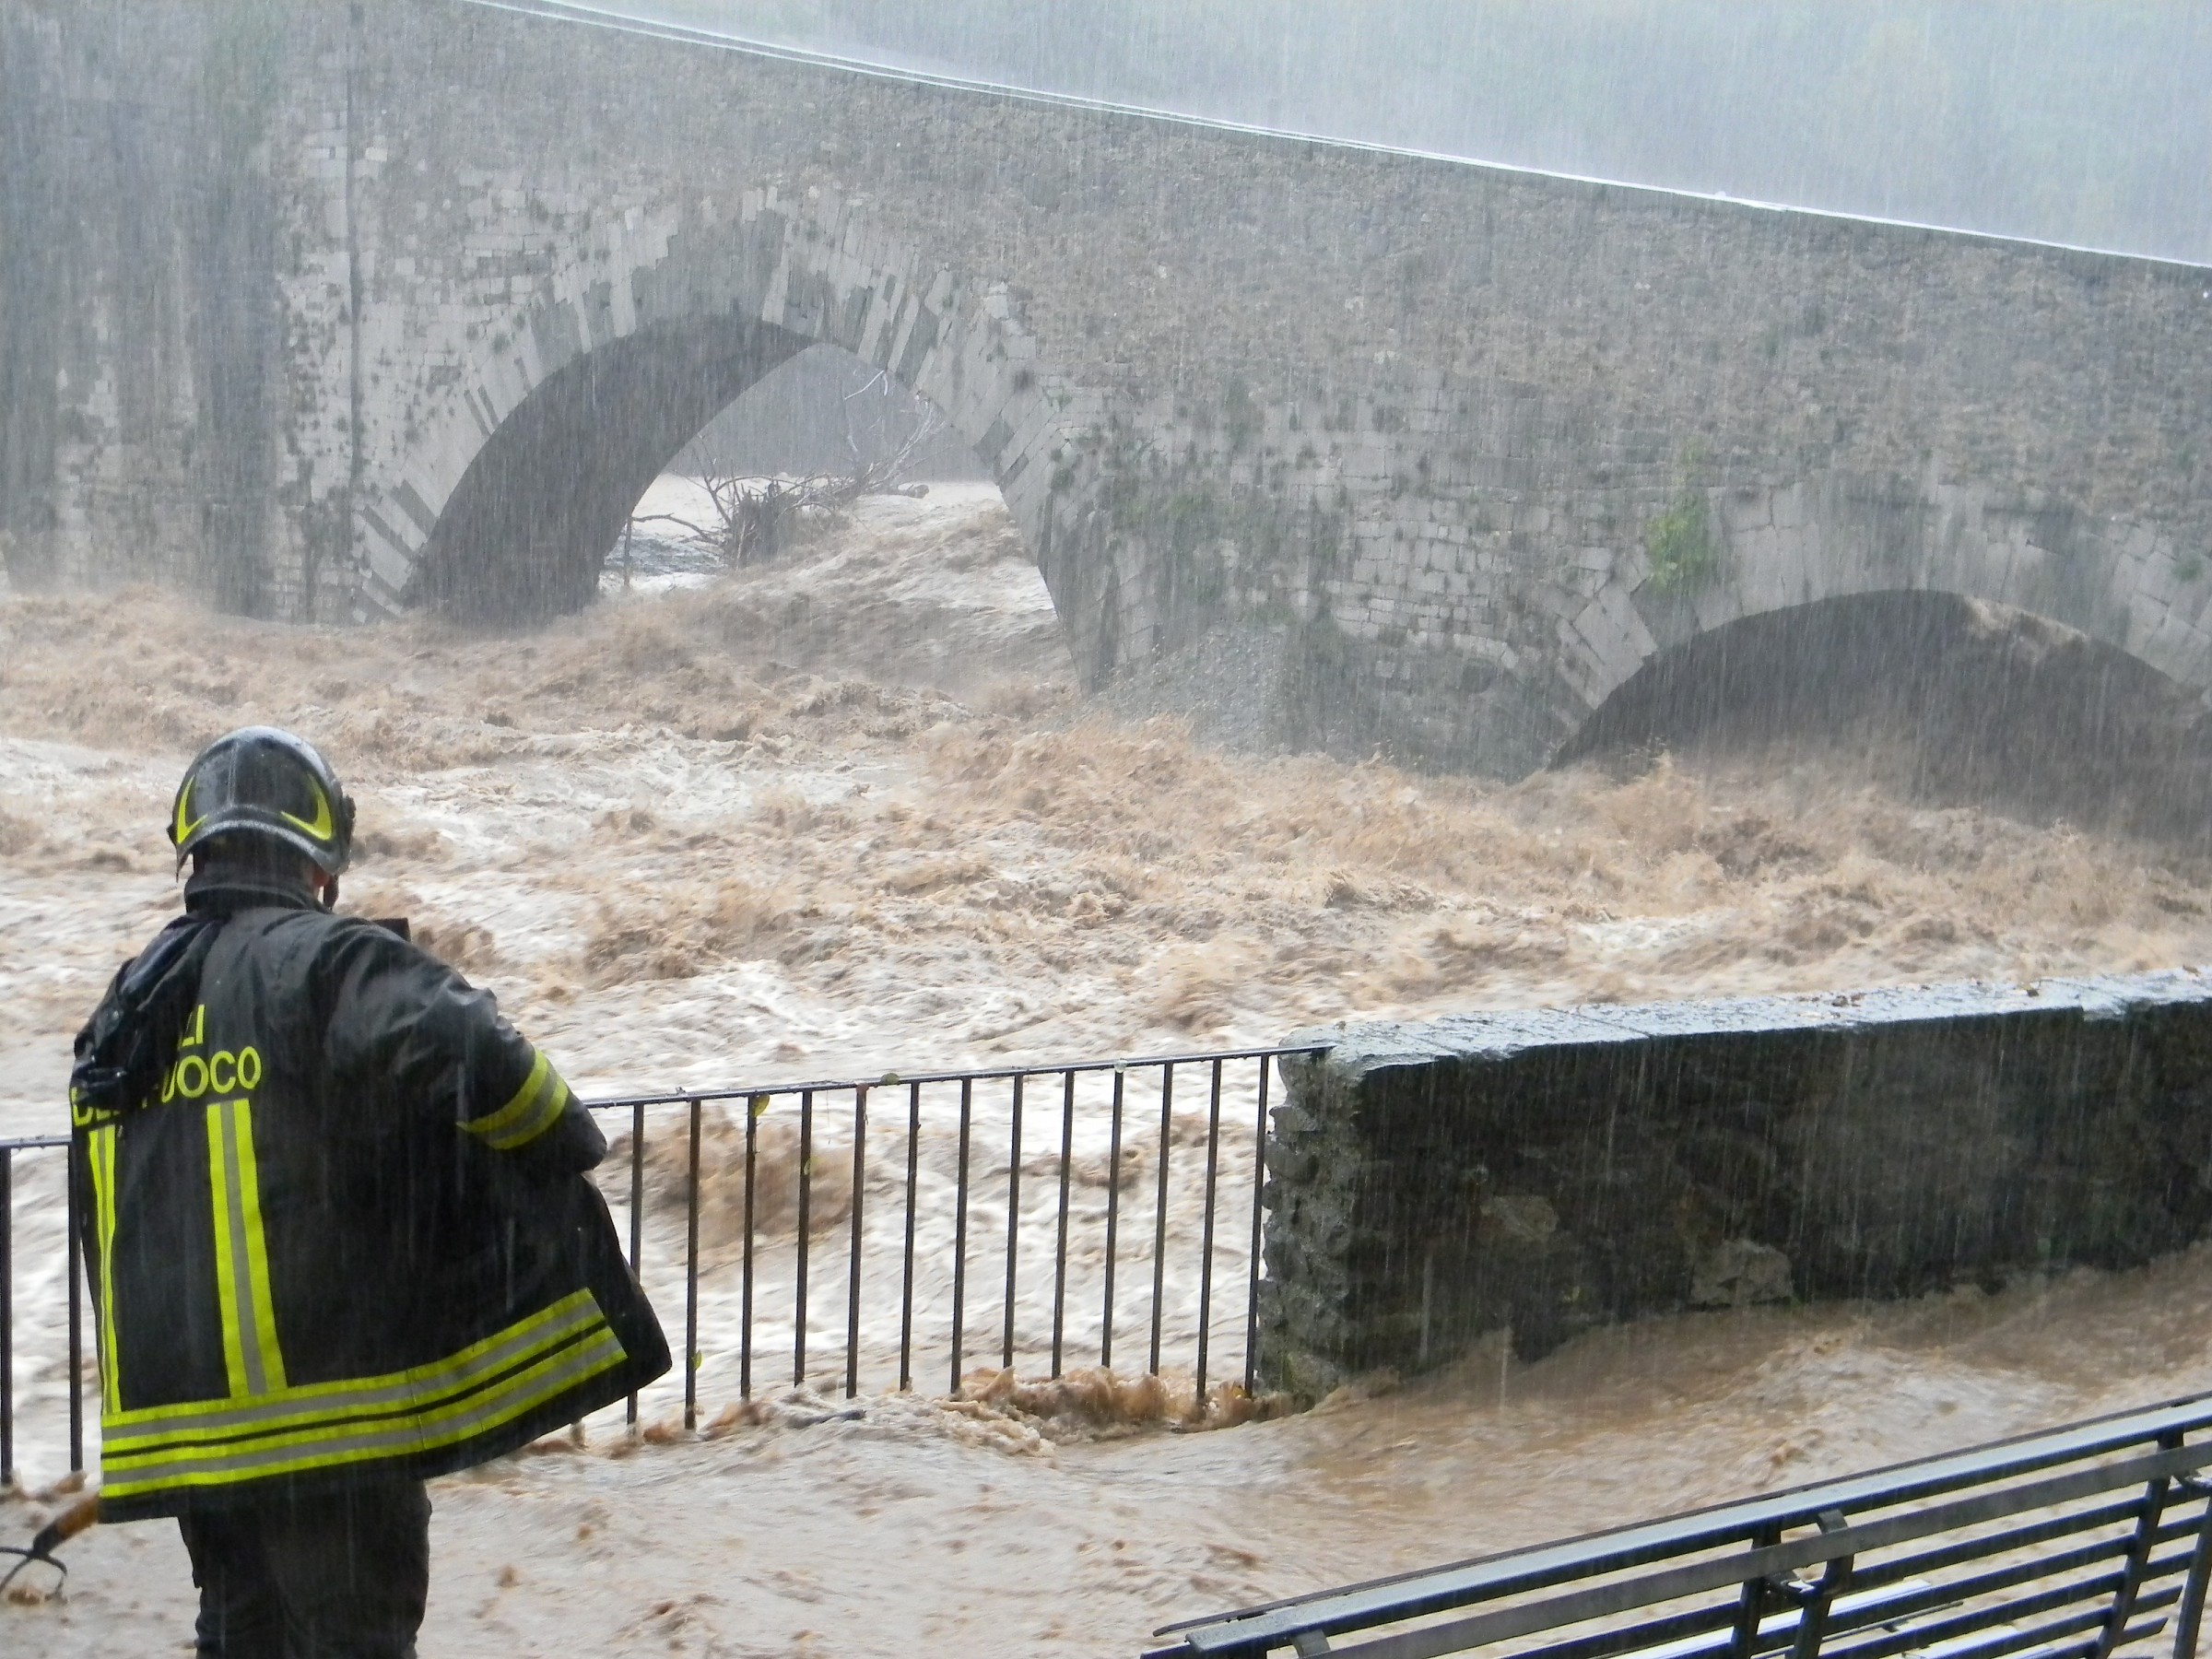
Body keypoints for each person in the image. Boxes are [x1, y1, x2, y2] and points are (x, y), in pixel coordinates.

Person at [68, 726, 668, 1657]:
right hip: (332, 1432)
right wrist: (553, 1152)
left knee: (240, 1639)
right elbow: (485, 1059)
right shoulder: (329, 960)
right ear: (322, 859)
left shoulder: (129, 1009)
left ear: (197, 850)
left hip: (187, 1438)